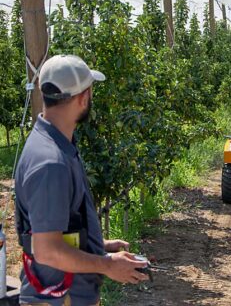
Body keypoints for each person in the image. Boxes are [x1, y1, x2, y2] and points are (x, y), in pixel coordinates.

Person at [14, 55, 148, 306]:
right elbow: (47, 250)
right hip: (58, 299)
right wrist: (106, 265)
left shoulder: (56, 145)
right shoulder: (50, 163)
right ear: (83, 97)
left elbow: (53, 230)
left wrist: (98, 245)